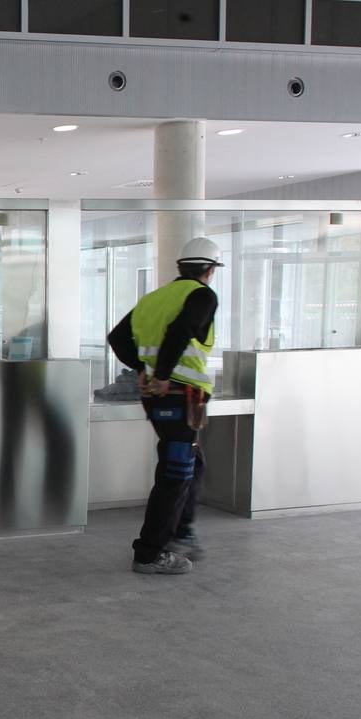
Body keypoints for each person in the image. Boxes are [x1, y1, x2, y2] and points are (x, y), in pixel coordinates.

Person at [106, 237, 222, 575]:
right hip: (179, 394)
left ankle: (181, 532)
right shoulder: (202, 295)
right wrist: (161, 376)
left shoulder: (155, 297)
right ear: (210, 270)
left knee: (191, 462)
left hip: (164, 394)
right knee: (176, 472)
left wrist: (143, 370)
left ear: (181, 267)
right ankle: (150, 553)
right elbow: (180, 331)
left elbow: (117, 337)